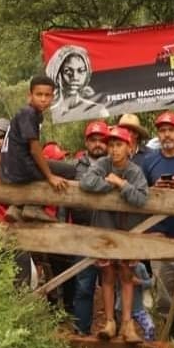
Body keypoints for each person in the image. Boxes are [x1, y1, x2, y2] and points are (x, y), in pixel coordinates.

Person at [78, 125, 149, 343]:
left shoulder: (134, 171)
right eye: (111, 145)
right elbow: (86, 182)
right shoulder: (102, 164)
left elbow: (141, 198)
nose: (114, 149)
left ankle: (127, 323)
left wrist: (121, 184)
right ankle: (110, 322)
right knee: (107, 275)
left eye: (119, 145)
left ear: (129, 147)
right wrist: (110, 186)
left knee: (126, 275)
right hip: (106, 228)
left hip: (128, 230)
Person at [138, 110, 174, 337]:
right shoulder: (150, 160)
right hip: (160, 233)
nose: (166, 135)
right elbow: (139, 195)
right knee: (165, 293)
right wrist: (155, 191)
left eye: (171, 130)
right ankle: (172, 336)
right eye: (162, 130)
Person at [0, 75, 77, 222]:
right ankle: (35, 207)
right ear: (30, 95)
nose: (43, 99)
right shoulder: (29, 113)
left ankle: (19, 207)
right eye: (39, 94)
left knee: (56, 168)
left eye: (47, 95)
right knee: (70, 172)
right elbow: (34, 149)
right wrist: (50, 177)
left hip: (10, 168)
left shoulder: (31, 114)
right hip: (19, 169)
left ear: (52, 97)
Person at [70, 120, 110, 335]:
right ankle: (81, 332)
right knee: (84, 285)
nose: (98, 144)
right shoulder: (74, 167)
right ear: (86, 142)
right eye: (93, 140)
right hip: (82, 232)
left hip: (111, 233)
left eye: (102, 140)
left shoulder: (116, 165)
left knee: (115, 285)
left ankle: (118, 330)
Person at [46, 45, 109, 121]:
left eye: (81, 71)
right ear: (56, 74)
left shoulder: (98, 111)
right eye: (68, 71)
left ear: (87, 74)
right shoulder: (49, 114)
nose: (75, 77)